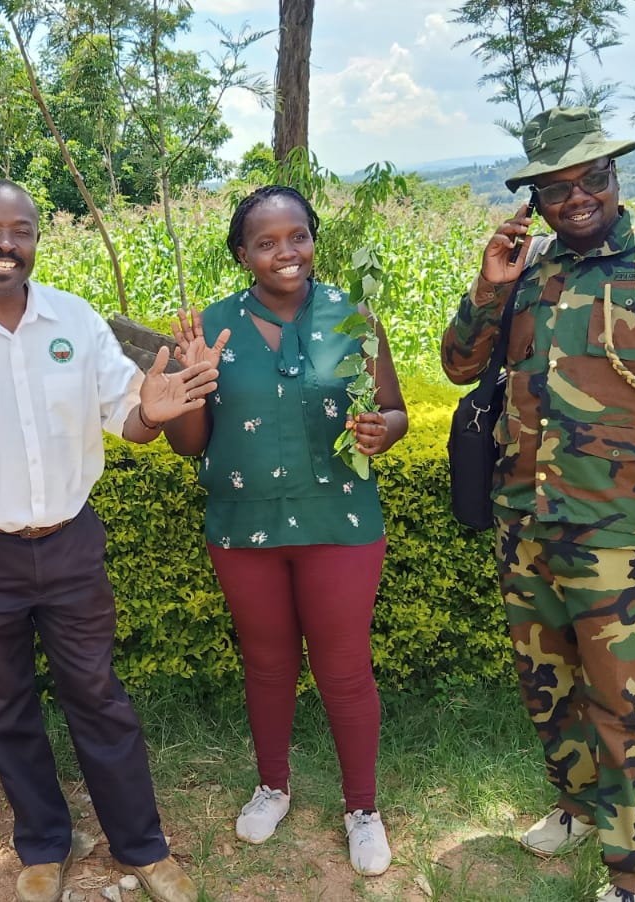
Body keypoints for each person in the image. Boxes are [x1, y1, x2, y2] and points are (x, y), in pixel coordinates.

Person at [0, 179, 211, 902]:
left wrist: (151, 415)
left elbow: (128, 412)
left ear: (34, 238)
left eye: (20, 229)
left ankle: (143, 847)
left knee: (98, 693)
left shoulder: (75, 320)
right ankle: (42, 842)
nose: (5, 243)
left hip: (68, 545)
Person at [440, 108, 635, 902]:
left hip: (624, 531)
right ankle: (576, 808)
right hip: (526, 521)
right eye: (555, 187)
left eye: (591, 180)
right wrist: (486, 288)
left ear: (615, 176)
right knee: (548, 688)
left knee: (625, 707)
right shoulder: (527, 268)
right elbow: (459, 365)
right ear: (534, 197)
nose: (576, 198)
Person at [163, 185, 409, 877]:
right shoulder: (210, 327)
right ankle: (273, 786)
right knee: (267, 663)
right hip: (243, 525)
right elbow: (188, 445)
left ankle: (362, 807)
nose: (285, 253)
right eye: (265, 242)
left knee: (343, 668)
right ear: (242, 254)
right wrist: (189, 381)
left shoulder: (355, 317)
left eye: (296, 236)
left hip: (342, 522)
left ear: (313, 239)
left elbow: (394, 413)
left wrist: (380, 431)